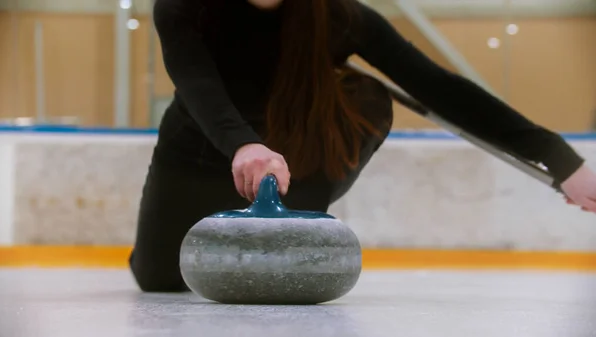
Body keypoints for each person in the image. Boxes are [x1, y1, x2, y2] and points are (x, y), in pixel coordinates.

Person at [129, 0, 596, 292]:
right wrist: (244, 146)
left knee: (365, 95)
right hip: (198, 152)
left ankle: (300, 214)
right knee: (160, 280)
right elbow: (196, 83)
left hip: (295, 159)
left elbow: (439, 88)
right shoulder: (183, 7)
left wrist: (561, 159)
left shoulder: (340, 17)